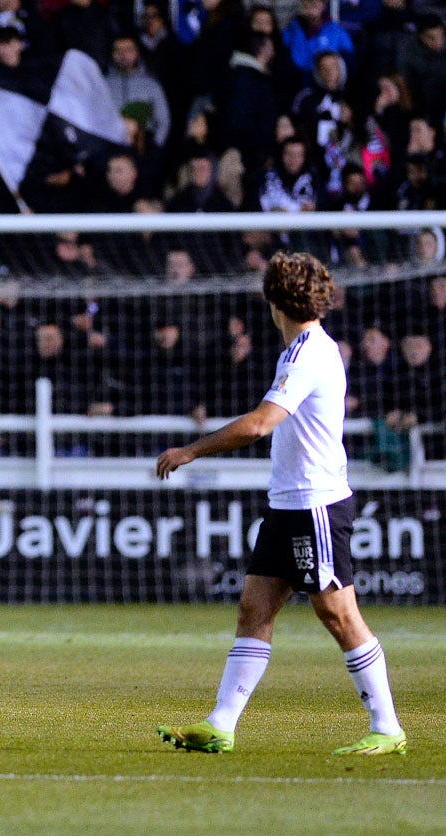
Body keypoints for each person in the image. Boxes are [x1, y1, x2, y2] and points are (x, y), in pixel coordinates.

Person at [155, 251, 406, 757]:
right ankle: (220, 723)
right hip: (287, 503)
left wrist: (190, 450)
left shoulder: (308, 352)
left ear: (274, 301)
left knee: (336, 612)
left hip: (314, 504)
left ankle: (387, 726)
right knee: (256, 607)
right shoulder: (303, 349)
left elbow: (258, 424)